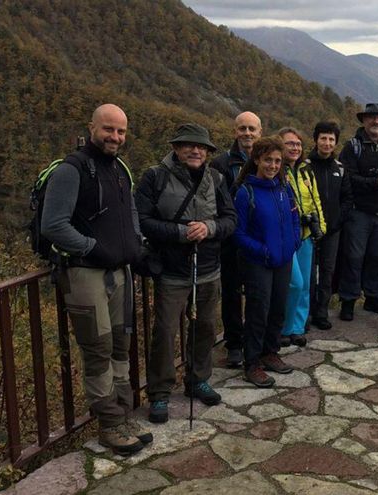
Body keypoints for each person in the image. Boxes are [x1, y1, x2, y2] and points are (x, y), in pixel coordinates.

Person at [40, 104, 149, 455]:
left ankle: (121, 415)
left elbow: (129, 212)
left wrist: (134, 245)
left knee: (119, 345)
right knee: (98, 349)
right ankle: (109, 425)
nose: (114, 137)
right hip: (84, 273)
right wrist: (93, 248)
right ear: (92, 128)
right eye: (108, 129)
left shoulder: (119, 169)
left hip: (118, 272)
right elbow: (53, 224)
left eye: (120, 131)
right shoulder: (72, 170)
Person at [135, 123, 237, 423]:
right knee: (165, 332)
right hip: (171, 270)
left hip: (208, 268)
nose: (195, 151)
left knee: (205, 327)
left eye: (201, 147)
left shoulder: (216, 179)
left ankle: (198, 379)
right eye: (188, 146)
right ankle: (160, 393)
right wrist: (181, 233)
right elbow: (140, 219)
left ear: (207, 152)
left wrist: (210, 227)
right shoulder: (155, 177)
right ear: (176, 148)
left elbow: (230, 219)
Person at [233, 136, 300, 387]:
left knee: (277, 308)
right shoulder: (245, 192)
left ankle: (270, 353)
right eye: (268, 160)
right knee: (257, 312)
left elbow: (295, 218)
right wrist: (263, 251)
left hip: (283, 259)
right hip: (258, 262)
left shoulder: (284, 188)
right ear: (257, 160)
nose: (273, 165)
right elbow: (238, 233)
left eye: (278, 161)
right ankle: (251, 363)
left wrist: (294, 242)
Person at [337, 103, 378, 320]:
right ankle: (348, 300)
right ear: (363, 121)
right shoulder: (352, 147)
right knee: (354, 257)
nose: (376, 122)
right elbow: (346, 178)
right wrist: (376, 182)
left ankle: (373, 299)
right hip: (359, 213)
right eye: (371, 118)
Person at [211, 111, 262, 367]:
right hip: (231, 241)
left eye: (252, 128)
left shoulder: (268, 161)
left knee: (256, 292)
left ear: (260, 132)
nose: (247, 133)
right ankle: (234, 343)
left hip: (258, 238)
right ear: (235, 132)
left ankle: (254, 339)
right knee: (231, 293)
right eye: (242, 128)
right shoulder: (220, 164)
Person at [279, 127, 326, 347]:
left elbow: (315, 199)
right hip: (286, 237)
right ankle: (285, 327)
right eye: (290, 144)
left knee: (306, 284)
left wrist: (321, 226)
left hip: (306, 234)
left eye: (298, 144)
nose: (295, 148)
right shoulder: (276, 170)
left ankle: (297, 328)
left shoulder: (306, 171)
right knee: (293, 283)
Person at [307, 121, 353, 330]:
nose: (327, 143)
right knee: (308, 274)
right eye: (323, 138)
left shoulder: (340, 169)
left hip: (332, 230)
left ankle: (321, 313)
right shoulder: (305, 167)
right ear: (316, 140)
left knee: (327, 272)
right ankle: (305, 314)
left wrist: (336, 221)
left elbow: (347, 198)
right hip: (308, 230)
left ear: (336, 143)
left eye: (331, 139)